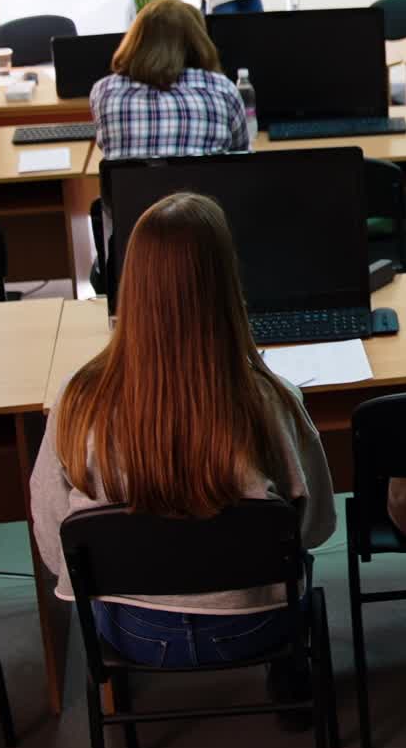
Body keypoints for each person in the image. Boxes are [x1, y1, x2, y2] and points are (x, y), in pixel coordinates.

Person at [31, 192, 336, 680]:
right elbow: (316, 525)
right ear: (225, 282)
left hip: (132, 631)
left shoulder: (76, 399)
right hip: (254, 627)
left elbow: (53, 542)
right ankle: (290, 693)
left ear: (132, 282)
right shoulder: (271, 400)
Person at [90, 0, 248, 159]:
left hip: (132, 185)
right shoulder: (222, 89)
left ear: (136, 40)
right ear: (197, 40)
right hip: (202, 184)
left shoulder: (104, 91)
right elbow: (240, 156)